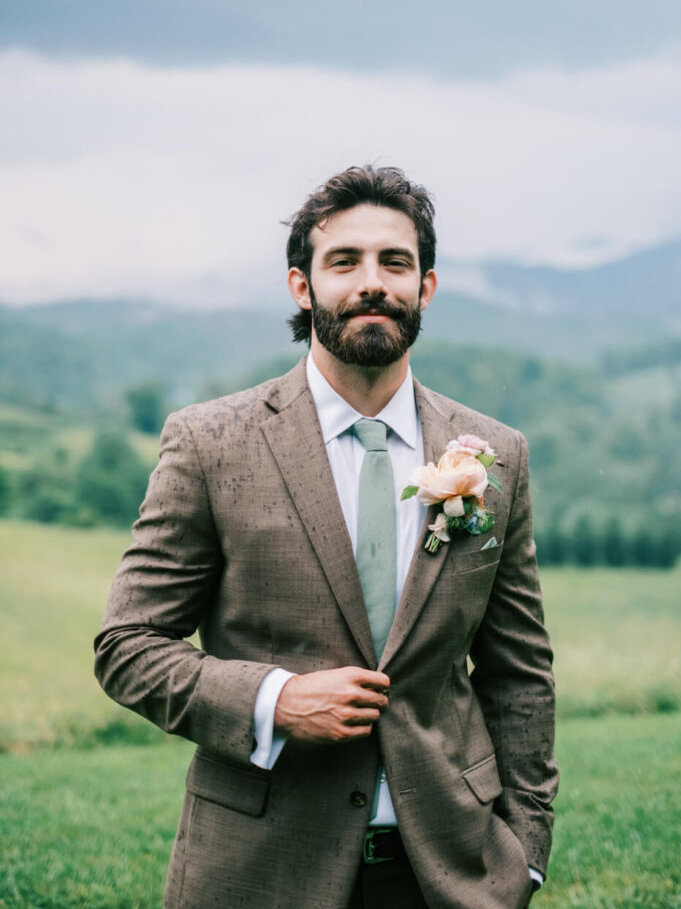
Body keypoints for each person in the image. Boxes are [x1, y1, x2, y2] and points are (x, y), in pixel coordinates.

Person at [94, 165, 558, 909]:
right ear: (301, 286)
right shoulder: (210, 443)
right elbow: (128, 646)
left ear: (425, 288)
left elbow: (519, 670)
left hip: (450, 870)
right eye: (344, 261)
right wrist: (274, 699)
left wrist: (526, 847)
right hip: (260, 867)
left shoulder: (495, 454)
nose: (371, 283)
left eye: (395, 262)